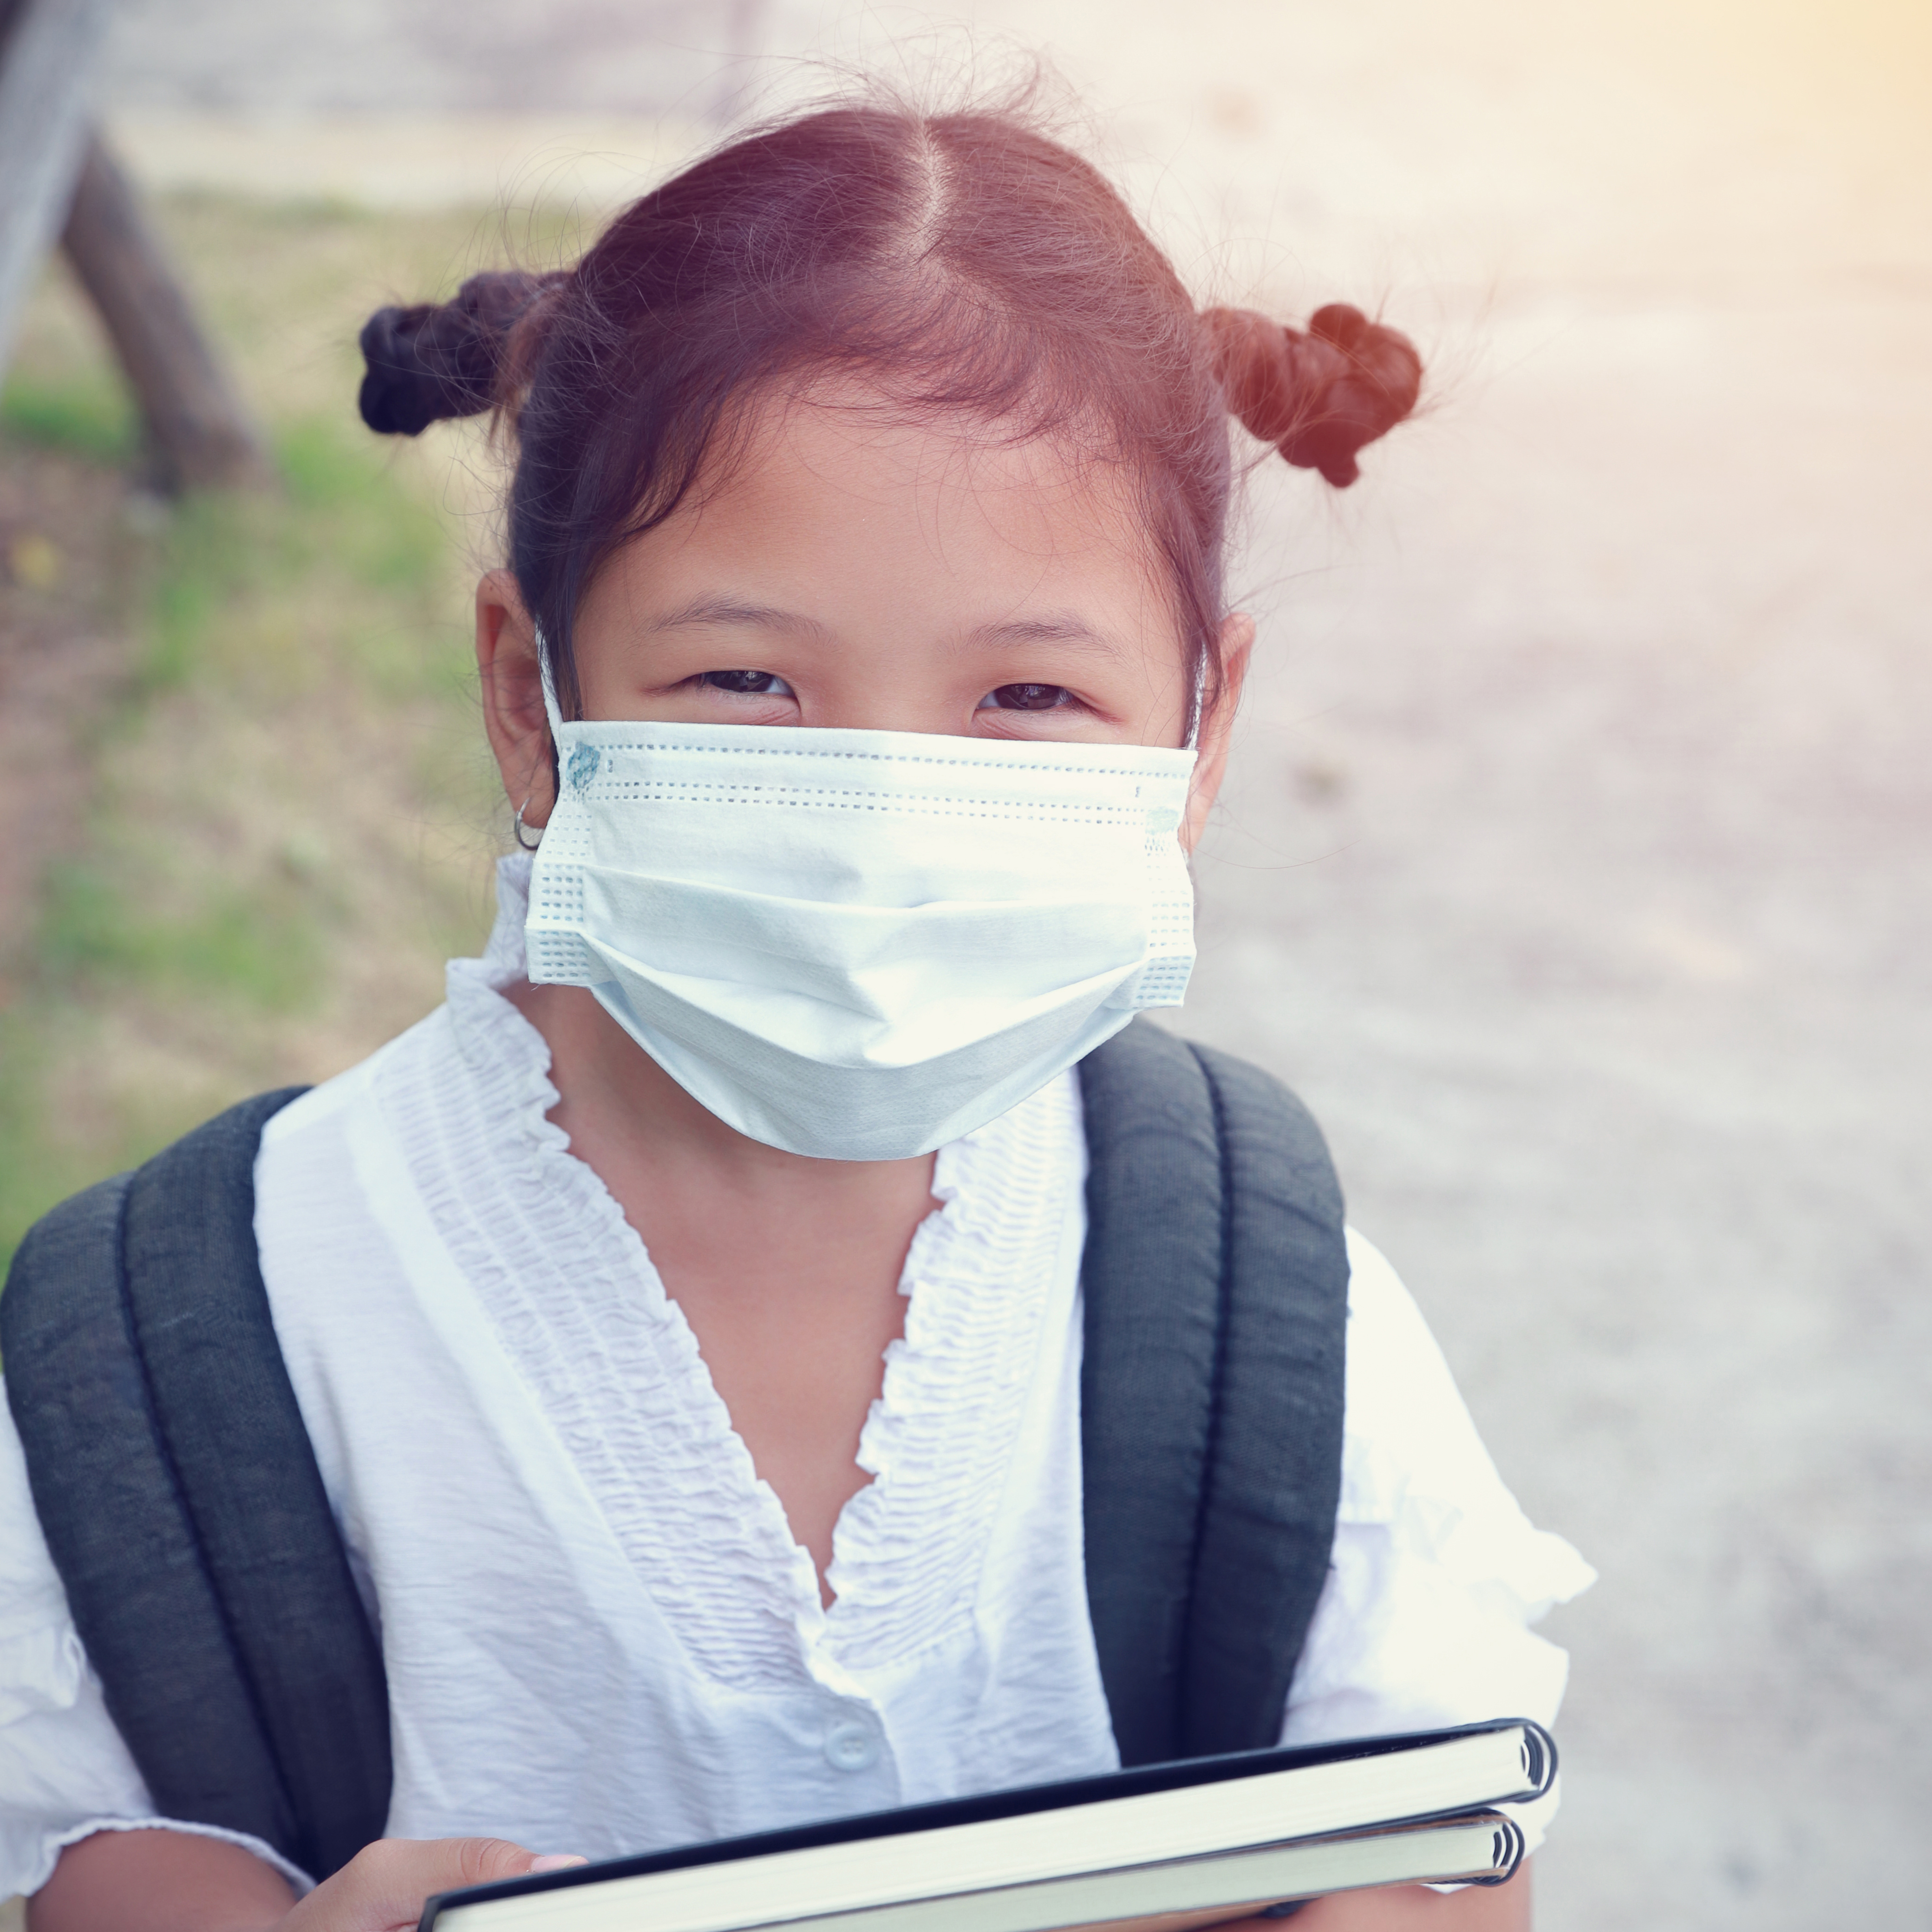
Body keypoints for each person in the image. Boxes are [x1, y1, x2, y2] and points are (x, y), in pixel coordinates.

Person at [0, 93, 1593, 1932]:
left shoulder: (1256, 1301)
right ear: (531, 694)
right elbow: (88, 1833)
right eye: (747, 676)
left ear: (1201, 725)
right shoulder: (218, 1310)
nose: (879, 818)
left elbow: (1434, 1846)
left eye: (1024, 696)